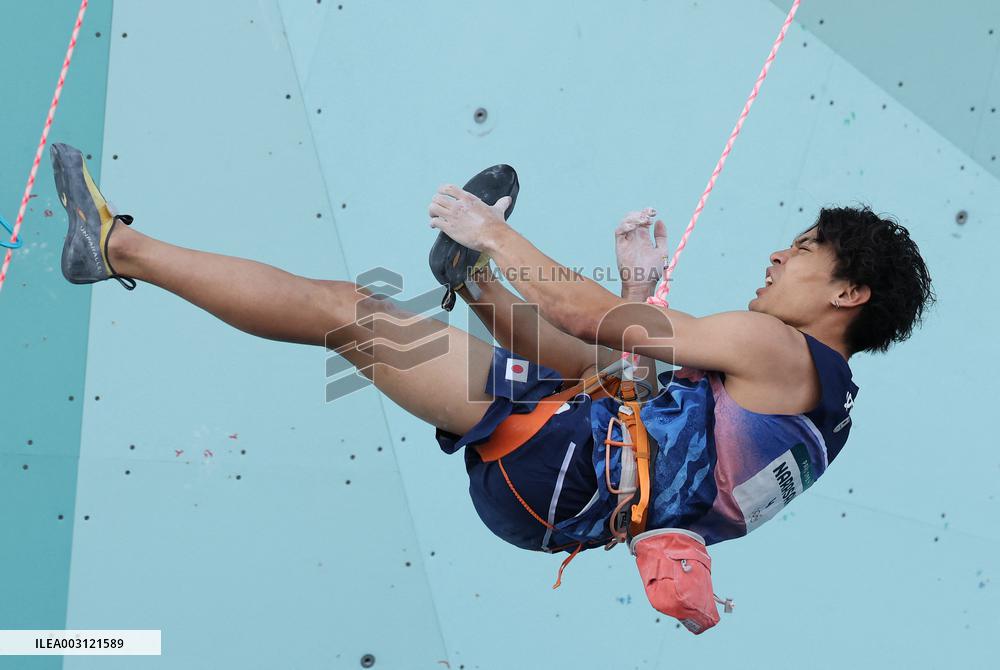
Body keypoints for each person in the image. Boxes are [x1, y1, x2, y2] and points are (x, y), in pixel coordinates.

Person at [50, 142, 934, 630]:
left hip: (561, 468)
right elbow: (653, 421)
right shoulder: (825, 408)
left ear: (847, 294)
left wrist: (498, 231)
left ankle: (115, 247)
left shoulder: (777, 347)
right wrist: (636, 291)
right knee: (560, 361)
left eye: (805, 248)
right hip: (567, 494)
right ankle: (471, 280)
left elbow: (591, 326)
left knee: (351, 313)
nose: (780, 254)